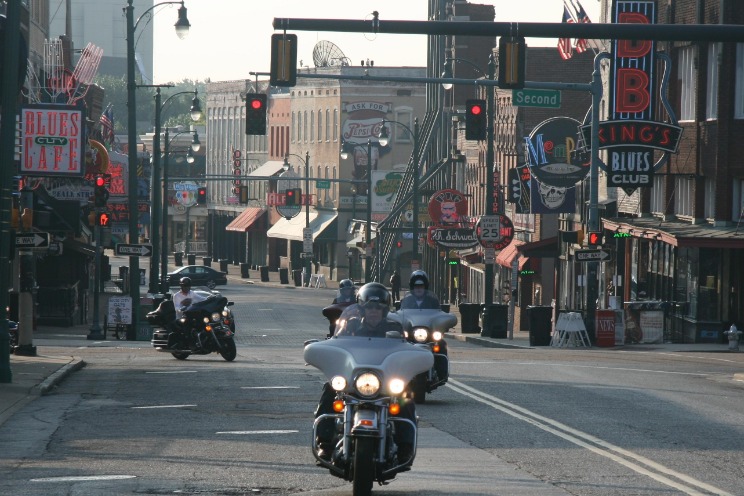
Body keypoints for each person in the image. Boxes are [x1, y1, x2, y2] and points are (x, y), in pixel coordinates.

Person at [315, 283, 416, 463]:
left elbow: (406, 350)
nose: (373, 311)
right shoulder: (349, 327)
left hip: (385, 381)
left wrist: (415, 353)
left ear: (385, 310)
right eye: (369, 307)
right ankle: (324, 442)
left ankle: (405, 446)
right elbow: (335, 343)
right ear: (361, 309)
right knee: (330, 388)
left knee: (406, 395)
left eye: (378, 307)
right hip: (354, 379)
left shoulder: (395, 329)